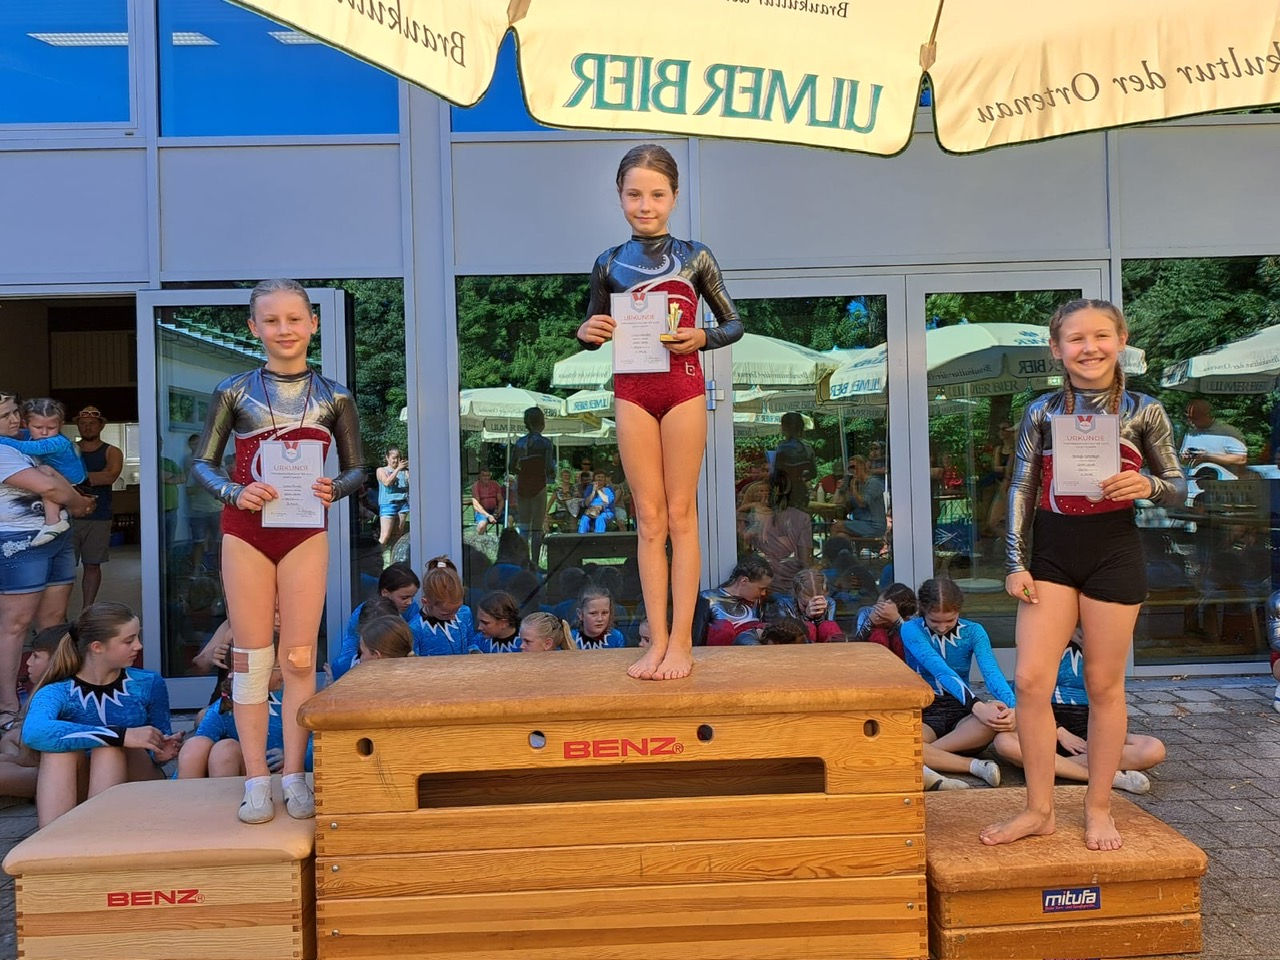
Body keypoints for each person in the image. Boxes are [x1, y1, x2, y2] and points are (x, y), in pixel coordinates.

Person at [982, 298, 1184, 852]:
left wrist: (1149, 486)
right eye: (1075, 338)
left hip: (1114, 551)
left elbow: (1178, 485)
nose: (1088, 347)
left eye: (1100, 336)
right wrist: (1015, 562)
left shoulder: (1145, 410)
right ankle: (1038, 810)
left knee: (1103, 685)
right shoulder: (1041, 411)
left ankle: (1098, 808)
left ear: (1121, 341)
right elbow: (1022, 486)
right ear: (1056, 348)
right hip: (1051, 552)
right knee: (1029, 682)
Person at [191, 278, 366, 824]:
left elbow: (358, 469)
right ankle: (255, 780)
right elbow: (202, 463)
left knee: (298, 658)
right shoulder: (234, 390)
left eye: (294, 318)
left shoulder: (335, 395)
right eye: (271, 320)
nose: (284, 329)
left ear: (314, 323)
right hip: (246, 532)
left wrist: (335, 488)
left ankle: (294, 774)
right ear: (254, 328)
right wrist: (233, 491)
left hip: (304, 532)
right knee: (250, 661)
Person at [577, 144, 743, 680]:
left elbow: (734, 323)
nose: (644, 205)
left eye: (656, 194)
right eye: (634, 194)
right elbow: (592, 327)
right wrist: (585, 331)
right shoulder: (608, 263)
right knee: (648, 520)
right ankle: (657, 639)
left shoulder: (695, 256)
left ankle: (683, 644)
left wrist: (703, 336)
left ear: (674, 197)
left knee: (680, 514)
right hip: (632, 392)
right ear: (619, 196)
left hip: (682, 388)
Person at [21, 603, 180, 827]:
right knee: (60, 753)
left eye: (137, 637)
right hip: (82, 784)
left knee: (110, 750)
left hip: (139, 783)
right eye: (129, 641)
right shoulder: (57, 691)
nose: (139, 645)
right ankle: (53, 837)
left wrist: (160, 751)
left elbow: (160, 739)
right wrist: (118, 734)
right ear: (97, 647)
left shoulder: (148, 683)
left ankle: (99, 832)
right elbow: (34, 732)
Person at [0, 391, 96, 732]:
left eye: (15, 412)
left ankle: (47, 699)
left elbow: (58, 478)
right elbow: (49, 486)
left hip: (58, 537)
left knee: (53, 623)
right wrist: (79, 503)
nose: (15, 420)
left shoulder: (26, 441)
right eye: (5, 416)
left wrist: (69, 496)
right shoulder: (4, 449)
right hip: (21, 542)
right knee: (15, 624)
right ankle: (8, 706)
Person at [992, 628, 1165, 794]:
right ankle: (1109, 778)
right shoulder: (1041, 640)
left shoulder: (1104, 648)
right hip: (1042, 726)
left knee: (1153, 749)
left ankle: (1049, 768)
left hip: (1086, 730)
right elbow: (1023, 696)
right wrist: (1060, 732)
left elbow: (1110, 702)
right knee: (1004, 742)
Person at [900, 578, 1013, 790]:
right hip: (926, 708)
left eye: (950, 620)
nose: (942, 627)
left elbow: (991, 673)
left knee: (995, 717)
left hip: (961, 711)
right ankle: (974, 766)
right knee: (900, 740)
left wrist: (1015, 709)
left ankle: (925, 762)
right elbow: (940, 670)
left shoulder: (974, 631)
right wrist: (977, 705)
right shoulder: (910, 629)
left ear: (959, 611)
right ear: (922, 609)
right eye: (935, 621)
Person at [177, 660, 302, 780]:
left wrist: (293, 757)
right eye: (278, 667)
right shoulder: (224, 708)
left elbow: (311, 740)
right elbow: (195, 753)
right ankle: (185, 791)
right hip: (243, 778)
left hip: (282, 776)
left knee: (226, 748)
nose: (283, 672)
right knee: (203, 745)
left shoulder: (291, 699)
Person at [0, 398, 87, 547]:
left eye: (51, 428)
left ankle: (53, 521)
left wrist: (2, 440)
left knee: (45, 476)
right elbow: (22, 435)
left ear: (61, 425)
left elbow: (28, 448)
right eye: (38, 427)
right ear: (26, 424)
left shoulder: (58, 442)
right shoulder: (29, 434)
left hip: (72, 478)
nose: (45, 432)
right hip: (58, 474)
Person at [0, 624, 63, 799]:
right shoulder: (47, 690)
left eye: (35, 656)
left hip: (58, 775)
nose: (28, 662)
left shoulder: (58, 696)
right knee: (11, 737)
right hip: (37, 762)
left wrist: (13, 761)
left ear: (57, 661)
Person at [331, 562, 421, 680]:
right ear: (385, 593)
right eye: (404, 597)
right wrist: (341, 674)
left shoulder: (411, 607)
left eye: (412, 596)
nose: (410, 602)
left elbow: (410, 642)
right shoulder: (366, 612)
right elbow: (350, 646)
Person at [70, 405, 122, 608]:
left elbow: (110, 476)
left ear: (101, 426)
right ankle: (58, 613)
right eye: (83, 423)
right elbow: (55, 475)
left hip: (99, 516)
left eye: (92, 423)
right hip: (68, 516)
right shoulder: (69, 450)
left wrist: (73, 477)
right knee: (64, 568)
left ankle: (87, 609)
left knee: (92, 564)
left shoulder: (112, 451)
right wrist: (95, 476)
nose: (87, 427)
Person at [744, 471, 812, 596]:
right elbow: (805, 561)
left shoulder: (755, 515)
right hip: (789, 586)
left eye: (764, 491)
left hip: (758, 586)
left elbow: (743, 550)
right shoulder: (802, 518)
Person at [698, 556, 773, 647]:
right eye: (761, 589)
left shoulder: (757, 601)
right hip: (720, 653)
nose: (764, 593)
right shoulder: (708, 598)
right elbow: (697, 638)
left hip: (756, 652)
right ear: (744, 581)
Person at [512, 408, 555, 566]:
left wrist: (524, 472)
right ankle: (535, 564)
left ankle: (523, 562)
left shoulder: (519, 443)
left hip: (523, 484)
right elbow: (549, 468)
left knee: (524, 527)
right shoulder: (546, 443)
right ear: (542, 423)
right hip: (538, 484)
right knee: (537, 528)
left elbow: (511, 467)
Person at [413, 555, 477, 656]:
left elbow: (471, 644)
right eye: (445, 613)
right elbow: (413, 661)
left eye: (457, 609)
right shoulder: (415, 628)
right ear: (426, 602)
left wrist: (475, 652)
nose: (454, 616)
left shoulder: (465, 613)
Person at [184, 432, 222, 573]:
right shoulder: (194, 468)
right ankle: (196, 571)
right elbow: (188, 491)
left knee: (218, 542)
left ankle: (218, 570)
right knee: (198, 542)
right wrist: (203, 484)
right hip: (199, 511)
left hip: (217, 510)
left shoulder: (219, 468)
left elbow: (226, 490)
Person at [851, 582, 919, 660]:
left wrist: (897, 621)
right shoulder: (866, 613)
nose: (877, 612)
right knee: (878, 634)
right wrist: (870, 622)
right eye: (878, 606)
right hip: (869, 660)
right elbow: (856, 644)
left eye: (884, 611)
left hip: (900, 663)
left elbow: (917, 648)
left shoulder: (911, 622)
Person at [774, 568, 842, 643]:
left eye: (818, 604)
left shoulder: (830, 603)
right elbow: (787, 634)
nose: (811, 608)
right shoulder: (783, 604)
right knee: (809, 627)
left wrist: (819, 617)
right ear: (796, 595)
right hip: (796, 645)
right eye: (805, 605)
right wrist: (807, 616)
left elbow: (828, 630)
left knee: (829, 626)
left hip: (825, 645)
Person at [1180, 398, 1247, 472]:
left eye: (1195, 417)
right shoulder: (1191, 433)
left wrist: (1208, 457)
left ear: (1207, 415)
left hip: (1222, 477)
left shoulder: (1228, 432)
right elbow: (1182, 460)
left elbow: (1241, 459)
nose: (1191, 421)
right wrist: (1185, 457)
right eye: (1188, 417)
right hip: (1192, 476)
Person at [836, 454, 887, 542]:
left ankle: (828, 551)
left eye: (854, 467)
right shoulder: (856, 485)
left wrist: (854, 489)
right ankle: (844, 551)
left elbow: (862, 503)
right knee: (840, 535)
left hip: (873, 525)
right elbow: (838, 503)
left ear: (863, 466)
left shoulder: (873, 483)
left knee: (837, 526)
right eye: (850, 468)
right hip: (860, 523)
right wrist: (839, 489)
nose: (852, 470)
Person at [772, 412, 817, 511]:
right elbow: (813, 474)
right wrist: (802, 476)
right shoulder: (808, 448)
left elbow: (776, 475)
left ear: (784, 428)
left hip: (785, 491)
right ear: (801, 427)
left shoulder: (781, 448)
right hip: (801, 492)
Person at [375, 447, 410, 553]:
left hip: (403, 505)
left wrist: (410, 470)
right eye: (394, 458)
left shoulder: (404, 472)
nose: (397, 460)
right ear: (387, 458)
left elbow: (411, 486)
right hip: (388, 505)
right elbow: (387, 482)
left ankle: (393, 560)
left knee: (397, 536)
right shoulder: (381, 470)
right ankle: (375, 558)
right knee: (385, 536)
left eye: (399, 458)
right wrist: (398, 469)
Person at [571, 583, 625, 649]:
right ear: (580, 614)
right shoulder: (570, 638)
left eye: (604, 613)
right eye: (593, 613)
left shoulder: (616, 638)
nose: (600, 619)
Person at [577, 469, 616, 534]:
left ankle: (599, 537)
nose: (600, 479)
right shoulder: (590, 488)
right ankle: (581, 537)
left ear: (605, 479)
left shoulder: (608, 489)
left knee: (600, 519)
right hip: (592, 511)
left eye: (602, 477)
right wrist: (593, 491)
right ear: (594, 478)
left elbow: (606, 501)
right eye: (598, 477)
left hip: (606, 511)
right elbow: (586, 503)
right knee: (584, 519)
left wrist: (598, 490)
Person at [470, 466, 504, 536]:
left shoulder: (495, 484)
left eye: (488, 475)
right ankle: (479, 541)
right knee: (482, 525)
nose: (486, 477)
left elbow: (501, 500)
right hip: (481, 512)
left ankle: (505, 540)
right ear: (479, 476)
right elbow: (476, 506)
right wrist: (488, 516)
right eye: (484, 476)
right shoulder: (476, 486)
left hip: (494, 511)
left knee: (509, 519)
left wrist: (499, 511)